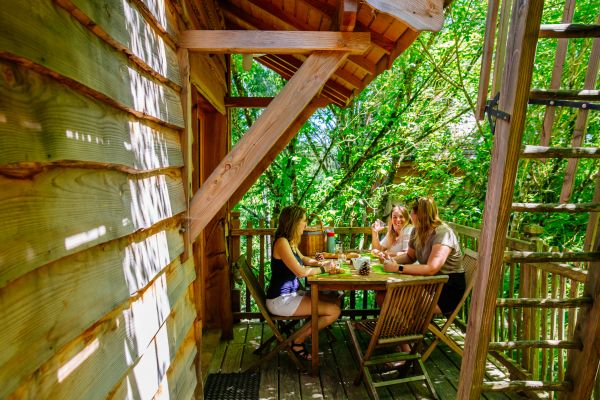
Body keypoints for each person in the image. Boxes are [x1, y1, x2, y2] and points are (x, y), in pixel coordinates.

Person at [265, 205, 341, 360]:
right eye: (304, 221)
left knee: (335, 299)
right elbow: (300, 272)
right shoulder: (282, 243)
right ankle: (297, 340)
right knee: (334, 311)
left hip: (291, 295)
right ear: (294, 222)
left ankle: (304, 334)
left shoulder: (289, 241)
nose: (306, 224)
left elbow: (304, 260)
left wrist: (320, 263)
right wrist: (325, 270)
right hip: (280, 301)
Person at [381, 197, 466, 316]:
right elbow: (410, 257)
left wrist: (397, 268)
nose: (410, 216)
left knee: (394, 295)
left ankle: (406, 328)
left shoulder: (443, 233)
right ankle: (402, 327)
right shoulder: (417, 231)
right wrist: (389, 261)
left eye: (412, 212)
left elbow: (432, 268)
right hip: (429, 285)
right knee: (382, 294)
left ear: (419, 214)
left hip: (445, 290)